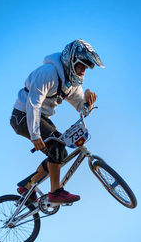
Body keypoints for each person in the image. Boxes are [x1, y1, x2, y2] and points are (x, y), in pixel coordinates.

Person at [10, 39, 105, 204]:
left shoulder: (71, 83)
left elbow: (80, 108)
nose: (84, 71)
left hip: (41, 118)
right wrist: (35, 135)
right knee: (57, 146)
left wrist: (88, 104)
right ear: (71, 61)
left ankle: (27, 185)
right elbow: (33, 103)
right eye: (82, 66)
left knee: (61, 154)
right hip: (23, 116)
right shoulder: (48, 73)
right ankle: (56, 192)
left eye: (86, 68)